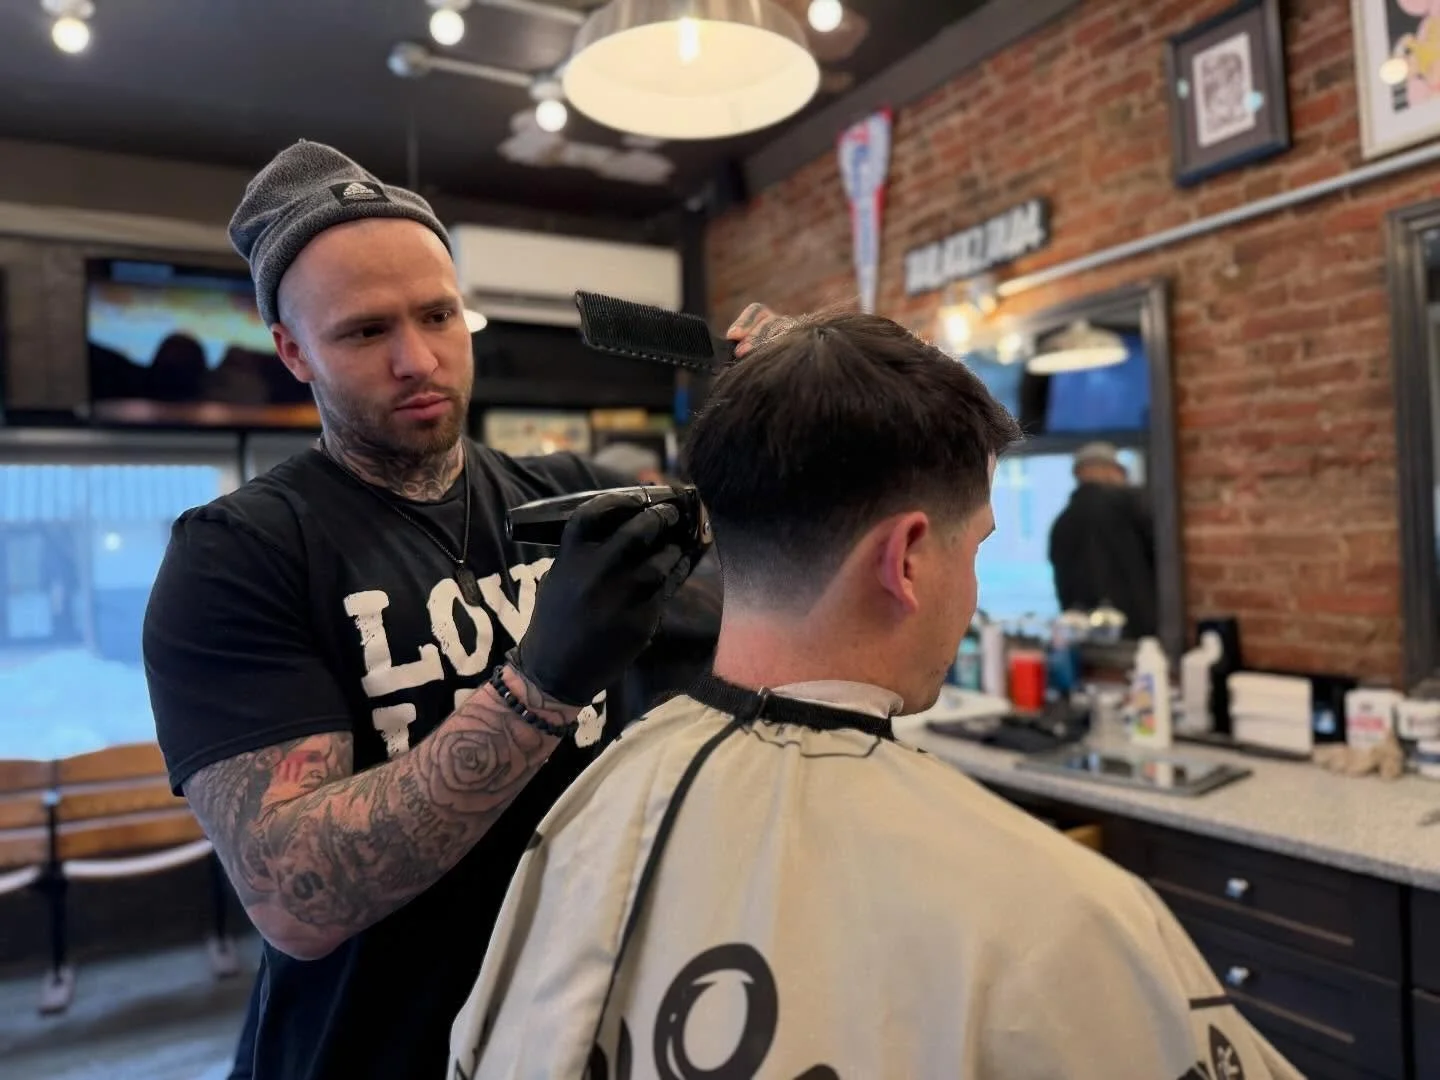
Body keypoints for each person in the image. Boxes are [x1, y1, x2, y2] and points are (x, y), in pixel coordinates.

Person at [449, 312, 1300, 1080]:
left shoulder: (583, 812)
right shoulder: (1061, 918)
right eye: (978, 548)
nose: (971, 591)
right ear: (907, 558)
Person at [141, 140, 764, 1080]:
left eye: (439, 315)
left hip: (580, 1036)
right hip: (374, 1053)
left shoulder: (575, 499)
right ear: (292, 351)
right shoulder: (239, 555)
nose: (417, 359)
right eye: (363, 332)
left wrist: (788, 420)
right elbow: (294, 895)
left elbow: (772, 601)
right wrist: (537, 688)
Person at [1048, 440, 1157, 638]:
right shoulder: (1135, 508)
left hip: (1085, 640)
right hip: (1140, 634)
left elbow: (1063, 588)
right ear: (1112, 471)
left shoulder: (1062, 523)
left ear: (1077, 474)